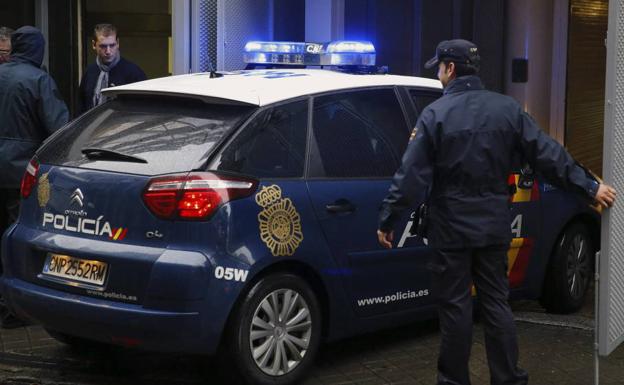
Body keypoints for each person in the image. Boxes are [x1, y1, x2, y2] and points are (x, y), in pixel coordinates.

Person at [377, 39, 616, 385]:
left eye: (440, 67)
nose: (439, 74)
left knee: (456, 309)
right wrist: (591, 187)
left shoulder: (435, 114)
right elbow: (549, 154)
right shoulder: (508, 109)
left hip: (451, 230)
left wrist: (389, 218)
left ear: (451, 69)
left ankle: (454, 381)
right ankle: (507, 379)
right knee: (496, 305)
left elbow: (410, 175)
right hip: (493, 227)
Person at [0, 26, 69, 328]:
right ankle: (16, 308)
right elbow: (60, 129)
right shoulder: (38, 80)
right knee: (20, 237)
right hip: (20, 173)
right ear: (36, 49)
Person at [79, 23, 146, 113]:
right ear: (94, 45)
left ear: (117, 43)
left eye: (112, 45)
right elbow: (81, 108)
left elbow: (143, 109)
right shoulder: (90, 72)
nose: (108, 51)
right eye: (103, 46)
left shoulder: (133, 73)